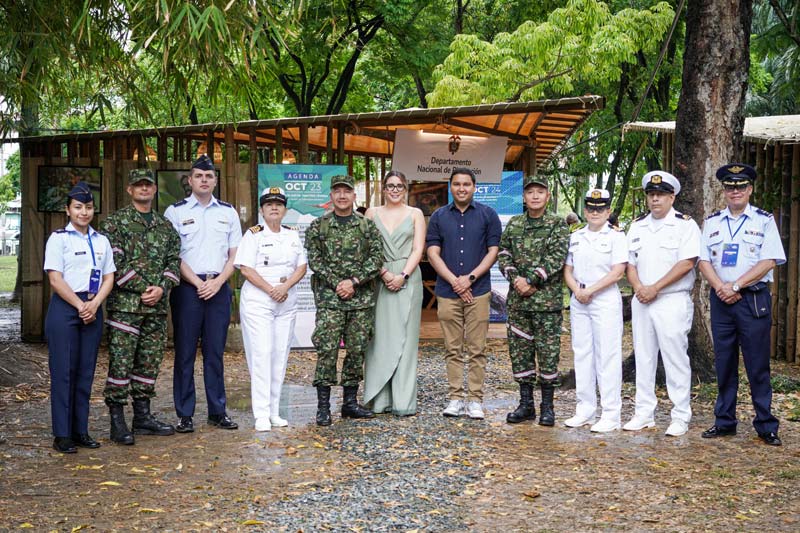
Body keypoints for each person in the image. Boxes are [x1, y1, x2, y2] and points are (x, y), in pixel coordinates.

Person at [698, 163, 785, 446]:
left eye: (741, 187)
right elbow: (703, 261)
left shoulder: (763, 220)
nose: (735, 191)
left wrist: (736, 286)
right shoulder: (712, 222)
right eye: (730, 187)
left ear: (750, 189)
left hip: (752, 300)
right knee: (724, 363)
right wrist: (720, 287)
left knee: (757, 365)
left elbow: (769, 260)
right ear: (723, 190)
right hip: (721, 300)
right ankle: (724, 421)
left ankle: (766, 424)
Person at [99, 169, 181, 445]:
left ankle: (143, 417)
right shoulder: (115, 223)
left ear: (154, 189)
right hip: (126, 307)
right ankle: (117, 421)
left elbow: (173, 261)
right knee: (121, 364)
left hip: (156, 308)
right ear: (130, 190)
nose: (144, 189)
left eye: (148, 185)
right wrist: (144, 287)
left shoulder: (164, 225)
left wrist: (161, 289)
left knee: (149, 363)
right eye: (139, 185)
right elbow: (114, 262)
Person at [165, 154, 242, 433]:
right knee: (185, 353)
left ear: (215, 180)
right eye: (199, 176)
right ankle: (185, 414)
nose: (204, 180)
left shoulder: (228, 212)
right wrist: (199, 284)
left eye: (209, 176)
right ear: (190, 180)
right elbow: (173, 255)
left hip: (219, 288)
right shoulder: (175, 212)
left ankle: (217, 410)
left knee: (215, 353)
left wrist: (218, 281)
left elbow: (235, 253)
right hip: (188, 289)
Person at [623, 171, 700, 437]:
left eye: (661, 195)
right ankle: (644, 413)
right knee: (644, 357)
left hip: (671, 299)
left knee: (675, 358)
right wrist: (639, 289)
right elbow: (629, 263)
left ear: (672, 197)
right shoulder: (637, 225)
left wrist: (655, 288)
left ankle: (680, 415)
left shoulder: (685, 225)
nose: (655, 199)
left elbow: (687, 263)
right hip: (642, 299)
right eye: (651, 195)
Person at [305, 174, 384, 426]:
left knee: (356, 350)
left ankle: (349, 403)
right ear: (331, 196)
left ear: (353, 196)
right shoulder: (319, 226)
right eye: (337, 191)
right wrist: (337, 284)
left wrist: (354, 281)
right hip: (330, 300)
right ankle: (323, 407)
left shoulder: (367, 226)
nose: (342, 195)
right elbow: (315, 260)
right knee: (327, 350)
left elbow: (376, 258)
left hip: (360, 300)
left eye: (346, 191)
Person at [43, 182, 116, 453]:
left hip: (93, 308)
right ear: (68, 210)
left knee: (86, 372)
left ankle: (80, 430)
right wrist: (80, 305)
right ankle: (62, 434)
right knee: (63, 372)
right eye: (78, 207)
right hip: (66, 307)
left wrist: (94, 304)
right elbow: (55, 278)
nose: (83, 212)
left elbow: (109, 276)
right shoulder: (58, 238)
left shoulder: (101, 240)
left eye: (88, 207)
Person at [425, 167, 502, 419]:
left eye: (466, 184)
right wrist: (455, 282)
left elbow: (493, 252)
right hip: (448, 292)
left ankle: (476, 400)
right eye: (456, 184)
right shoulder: (438, 216)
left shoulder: (488, 215)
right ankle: (456, 398)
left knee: (477, 347)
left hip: (478, 291)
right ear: (450, 187)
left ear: (474, 187)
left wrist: (469, 280)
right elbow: (432, 253)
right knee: (453, 348)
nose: (461, 188)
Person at [498, 175, 569, 426]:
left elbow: (556, 257)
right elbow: (503, 253)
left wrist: (532, 281)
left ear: (548, 196)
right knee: (520, 355)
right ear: (524, 197)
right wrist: (516, 279)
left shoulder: (557, 224)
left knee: (548, 356)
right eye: (530, 192)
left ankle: (547, 407)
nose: (535, 196)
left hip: (546, 304)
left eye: (540, 192)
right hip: (518, 303)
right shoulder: (515, 223)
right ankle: (526, 405)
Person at [234, 187, 307, 431]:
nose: (274, 207)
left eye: (278, 204)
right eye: (269, 204)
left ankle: (274, 411)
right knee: (262, 353)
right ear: (262, 210)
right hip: (259, 300)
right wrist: (271, 289)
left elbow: (301, 266)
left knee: (279, 355)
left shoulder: (292, 234)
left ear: (285, 209)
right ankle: (261, 414)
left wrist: (284, 286)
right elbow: (245, 268)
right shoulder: (253, 235)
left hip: (286, 299)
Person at [563, 189, 628, 433]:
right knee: (582, 354)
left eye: (600, 209)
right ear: (585, 210)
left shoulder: (616, 236)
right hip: (580, 299)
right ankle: (585, 409)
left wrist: (590, 290)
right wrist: (577, 291)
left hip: (604, 299)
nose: (594, 212)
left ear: (608, 211)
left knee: (607, 357)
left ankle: (611, 413)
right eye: (590, 208)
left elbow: (617, 271)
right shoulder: (577, 235)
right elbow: (567, 269)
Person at [363, 171, 425, 416]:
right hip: (379, 278)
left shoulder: (415, 214)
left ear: (405, 188)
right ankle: (379, 399)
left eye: (399, 185)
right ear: (384, 188)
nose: (395, 190)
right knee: (379, 340)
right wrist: (384, 273)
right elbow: (366, 248)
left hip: (408, 278)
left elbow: (418, 248)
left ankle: (403, 401)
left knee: (406, 341)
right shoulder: (371, 213)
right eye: (390, 186)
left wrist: (403, 276)